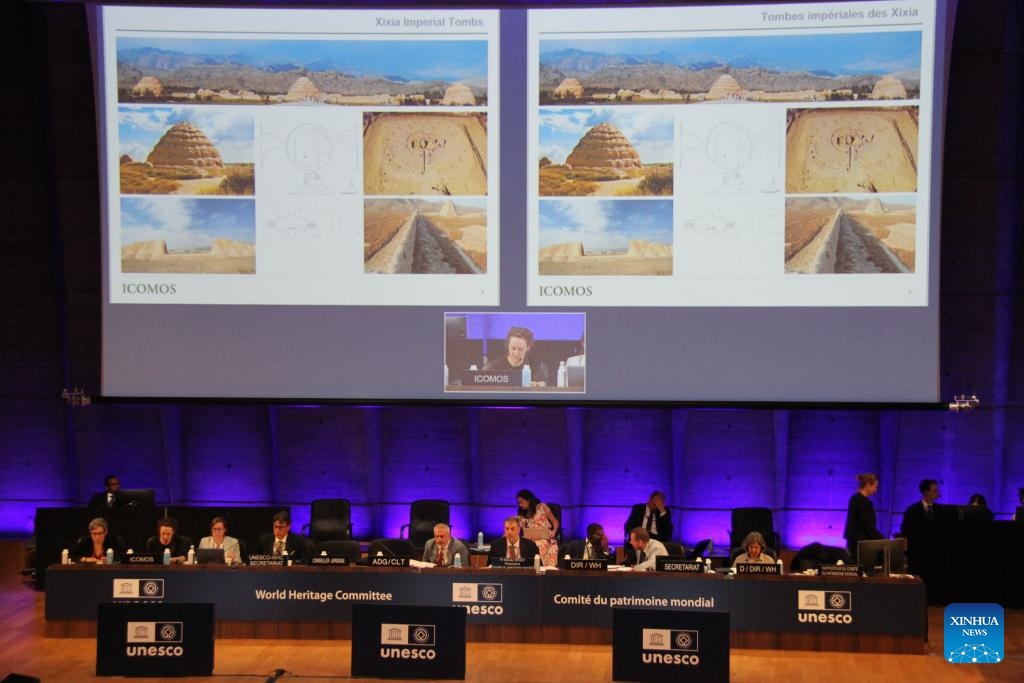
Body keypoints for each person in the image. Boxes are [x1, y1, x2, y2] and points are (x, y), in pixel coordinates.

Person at [483, 326, 549, 385]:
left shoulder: (536, 366)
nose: (516, 353)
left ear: (528, 347)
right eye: (513, 348)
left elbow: (541, 384)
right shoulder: (494, 366)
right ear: (508, 345)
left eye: (520, 349)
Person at [623, 491, 673, 565]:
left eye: (660, 502)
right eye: (655, 501)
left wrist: (662, 511)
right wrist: (639, 533)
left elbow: (669, 532)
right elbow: (627, 527)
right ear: (650, 500)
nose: (656, 504)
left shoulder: (664, 511)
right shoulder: (638, 509)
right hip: (639, 537)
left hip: (656, 539)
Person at [515, 489, 559, 566]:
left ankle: (542, 568)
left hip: (545, 538)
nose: (520, 505)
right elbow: (514, 526)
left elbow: (555, 521)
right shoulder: (521, 514)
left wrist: (554, 531)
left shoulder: (542, 507)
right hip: (529, 539)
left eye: (521, 502)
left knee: (539, 544)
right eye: (518, 503)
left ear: (528, 500)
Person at [843, 473, 884, 556]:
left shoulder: (854, 499)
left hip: (855, 542)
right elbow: (867, 525)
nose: (875, 490)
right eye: (875, 487)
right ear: (868, 485)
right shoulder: (863, 502)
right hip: (860, 543)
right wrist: (883, 540)